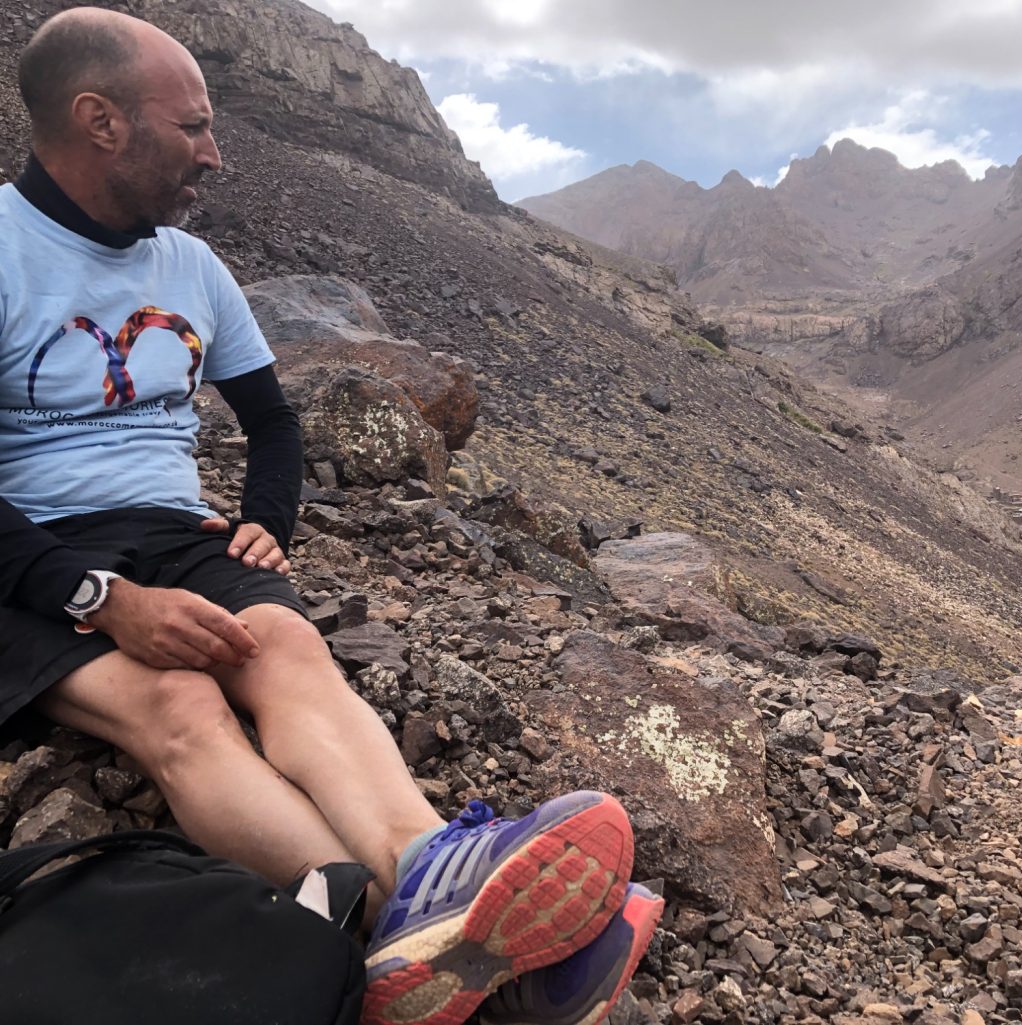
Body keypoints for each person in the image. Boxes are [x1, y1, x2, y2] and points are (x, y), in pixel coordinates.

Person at [0, 9, 660, 1025]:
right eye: (191, 126)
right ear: (98, 120)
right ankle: (413, 938)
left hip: (174, 530)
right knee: (180, 710)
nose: (213, 154)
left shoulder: (192, 267)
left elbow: (273, 423)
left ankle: (434, 883)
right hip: (30, 554)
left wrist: (268, 518)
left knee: (288, 648)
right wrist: (102, 597)